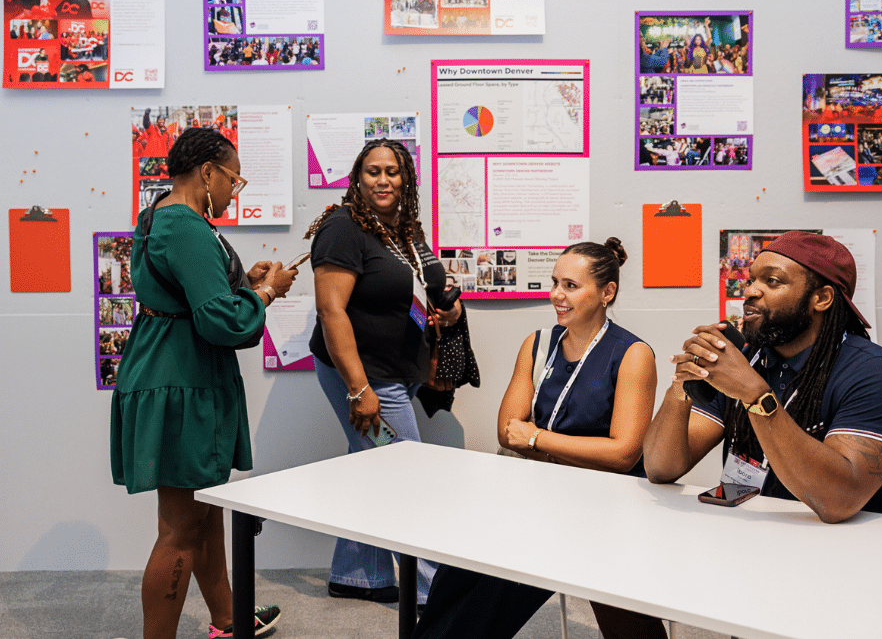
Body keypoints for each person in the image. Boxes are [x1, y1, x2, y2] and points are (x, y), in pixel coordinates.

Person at [413, 239, 668, 639]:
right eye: (554, 282)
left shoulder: (633, 354)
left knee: (490, 601)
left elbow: (622, 453)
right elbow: (507, 430)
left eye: (570, 285)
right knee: (453, 578)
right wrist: (542, 442)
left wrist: (537, 439)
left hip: (600, 509)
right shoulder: (538, 343)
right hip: (539, 495)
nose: (556, 295)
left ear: (607, 292)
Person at [110, 127, 299, 639]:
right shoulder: (189, 228)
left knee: (204, 511)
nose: (232, 192)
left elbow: (190, 292)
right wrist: (265, 294)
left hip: (168, 374)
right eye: (233, 180)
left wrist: (243, 281)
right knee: (179, 529)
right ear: (208, 171)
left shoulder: (156, 217)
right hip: (182, 383)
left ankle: (228, 619)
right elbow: (220, 321)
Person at [643, 231, 882, 524]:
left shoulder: (876, 375)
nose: (749, 291)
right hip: (764, 540)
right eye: (752, 280)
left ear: (821, 298)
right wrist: (683, 384)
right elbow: (661, 468)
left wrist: (755, 396)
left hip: (863, 551)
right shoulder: (747, 359)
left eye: (772, 281)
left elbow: (839, 501)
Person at [305, 139, 460, 605]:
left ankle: (359, 574)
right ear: (357, 177)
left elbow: (423, 288)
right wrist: (359, 390)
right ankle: (433, 590)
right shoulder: (341, 228)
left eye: (393, 171)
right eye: (373, 171)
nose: (383, 180)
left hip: (400, 368)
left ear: (406, 178)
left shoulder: (404, 227)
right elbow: (331, 311)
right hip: (366, 375)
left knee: (373, 467)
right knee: (406, 473)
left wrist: (447, 313)